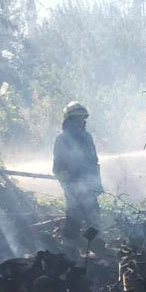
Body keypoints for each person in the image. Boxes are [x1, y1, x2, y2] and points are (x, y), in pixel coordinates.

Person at [53, 102, 103, 238]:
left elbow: (93, 161)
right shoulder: (62, 139)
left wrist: (95, 184)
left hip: (89, 187)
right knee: (74, 219)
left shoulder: (87, 137)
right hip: (74, 188)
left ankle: (96, 246)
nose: (82, 121)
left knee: (94, 219)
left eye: (83, 118)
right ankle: (71, 251)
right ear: (70, 120)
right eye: (78, 118)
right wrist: (70, 187)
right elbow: (58, 167)